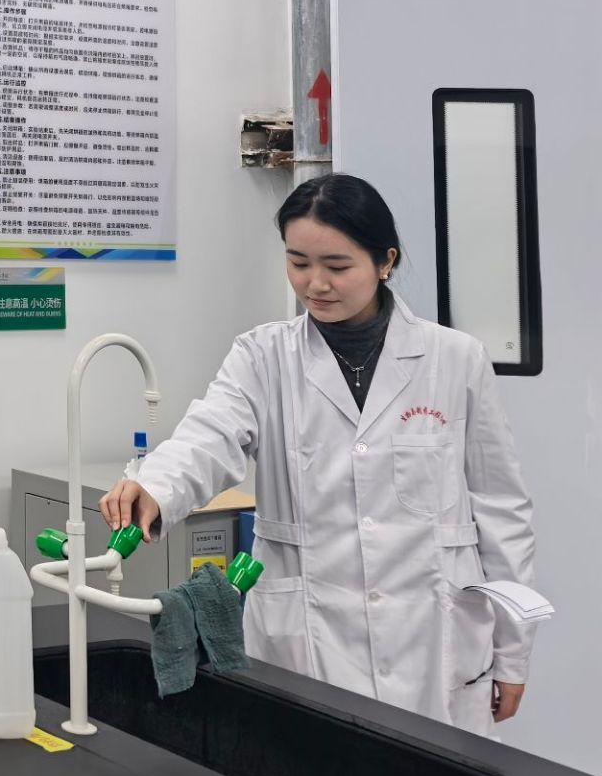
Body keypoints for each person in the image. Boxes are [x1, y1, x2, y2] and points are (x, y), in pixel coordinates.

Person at [101, 174, 535, 736]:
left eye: (337, 265)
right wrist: (156, 486)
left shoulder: (455, 359)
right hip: (308, 634)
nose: (316, 283)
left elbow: (502, 510)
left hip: (434, 637)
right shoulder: (262, 356)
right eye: (298, 262)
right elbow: (208, 435)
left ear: (385, 261)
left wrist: (513, 652)